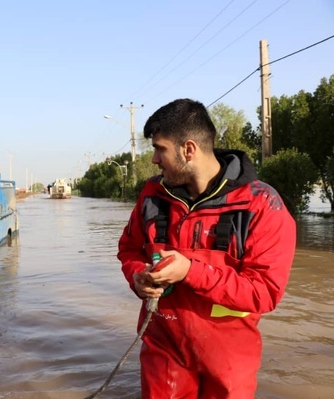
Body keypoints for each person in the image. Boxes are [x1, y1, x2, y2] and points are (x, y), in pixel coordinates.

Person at [117, 98, 296, 398]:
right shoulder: (152, 194)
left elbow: (264, 292)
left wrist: (190, 271)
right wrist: (137, 276)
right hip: (164, 351)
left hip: (228, 360)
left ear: (189, 149)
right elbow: (129, 249)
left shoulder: (262, 205)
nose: (154, 160)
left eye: (159, 149)